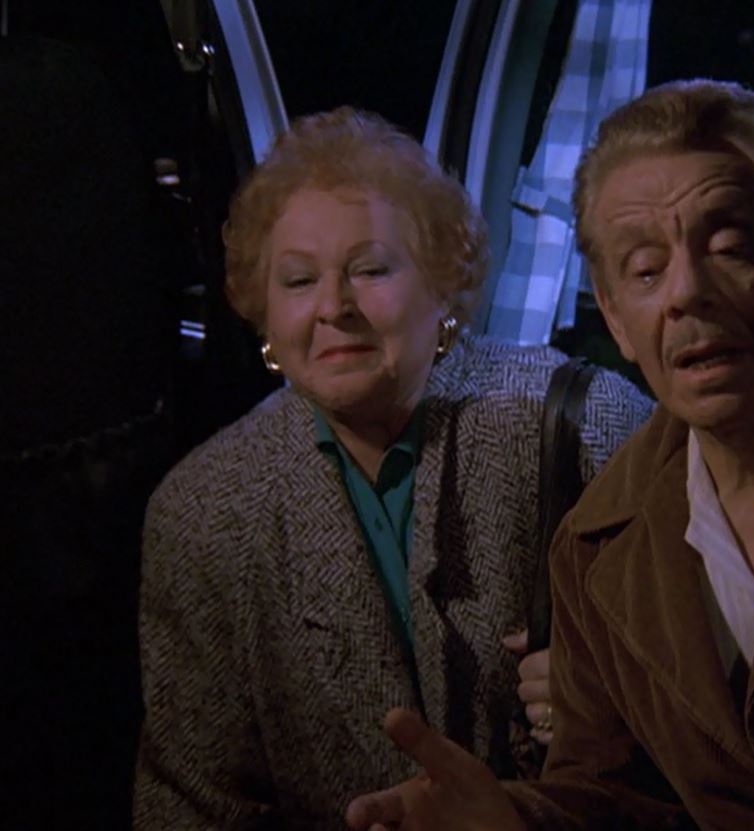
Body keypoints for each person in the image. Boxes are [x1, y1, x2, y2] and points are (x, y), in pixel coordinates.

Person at [345, 79, 754, 830]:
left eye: (730, 247)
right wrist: (514, 818)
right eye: (646, 270)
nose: (686, 293)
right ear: (616, 316)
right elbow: (613, 796)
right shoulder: (597, 544)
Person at [132, 107, 654, 829]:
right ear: (263, 317)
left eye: (370, 269)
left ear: (442, 284)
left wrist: (619, 699)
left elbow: (713, 719)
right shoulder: (203, 509)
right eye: (298, 280)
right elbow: (192, 803)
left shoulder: (586, 422)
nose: (333, 307)